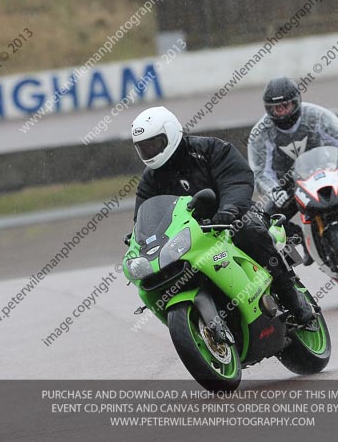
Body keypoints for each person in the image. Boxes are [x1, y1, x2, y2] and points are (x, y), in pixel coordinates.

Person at [131, 105, 315, 325]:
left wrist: (228, 210)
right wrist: (139, 238)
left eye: (154, 144)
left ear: (170, 134)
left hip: (231, 217)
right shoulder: (150, 179)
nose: (150, 152)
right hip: (190, 236)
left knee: (250, 232)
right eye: (144, 147)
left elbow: (236, 178)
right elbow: (144, 213)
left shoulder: (209, 149)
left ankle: (291, 297)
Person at [247, 77, 338, 266]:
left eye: (285, 106)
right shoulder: (260, 133)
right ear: (268, 109)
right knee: (263, 224)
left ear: (296, 102)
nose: (281, 113)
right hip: (289, 187)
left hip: (328, 173)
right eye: (276, 108)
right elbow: (260, 172)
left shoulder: (317, 116)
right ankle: (300, 243)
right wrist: (273, 191)